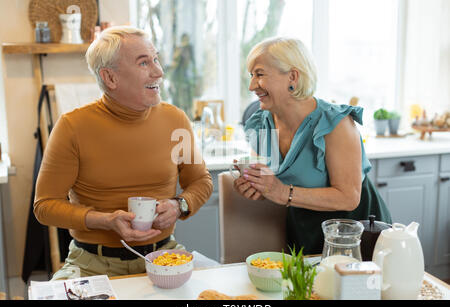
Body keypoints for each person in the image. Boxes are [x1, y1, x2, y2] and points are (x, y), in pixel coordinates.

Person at [34, 26, 213, 280]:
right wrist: (104, 221)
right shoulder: (72, 127)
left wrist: (179, 205)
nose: (159, 72)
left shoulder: (176, 120)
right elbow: (45, 206)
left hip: (163, 256)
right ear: (110, 78)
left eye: (156, 59)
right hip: (90, 264)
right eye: (143, 63)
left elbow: (201, 181)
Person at [234, 37, 392, 255]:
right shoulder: (262, 123)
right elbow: (269, 181)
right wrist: (256, 187)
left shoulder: (335, 123)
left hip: (357, 233)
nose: (252, 86)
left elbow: (349, 197)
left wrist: (281, 192)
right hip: (305, 229)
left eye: (259, 74)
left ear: (292, 76)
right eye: (251, 75)